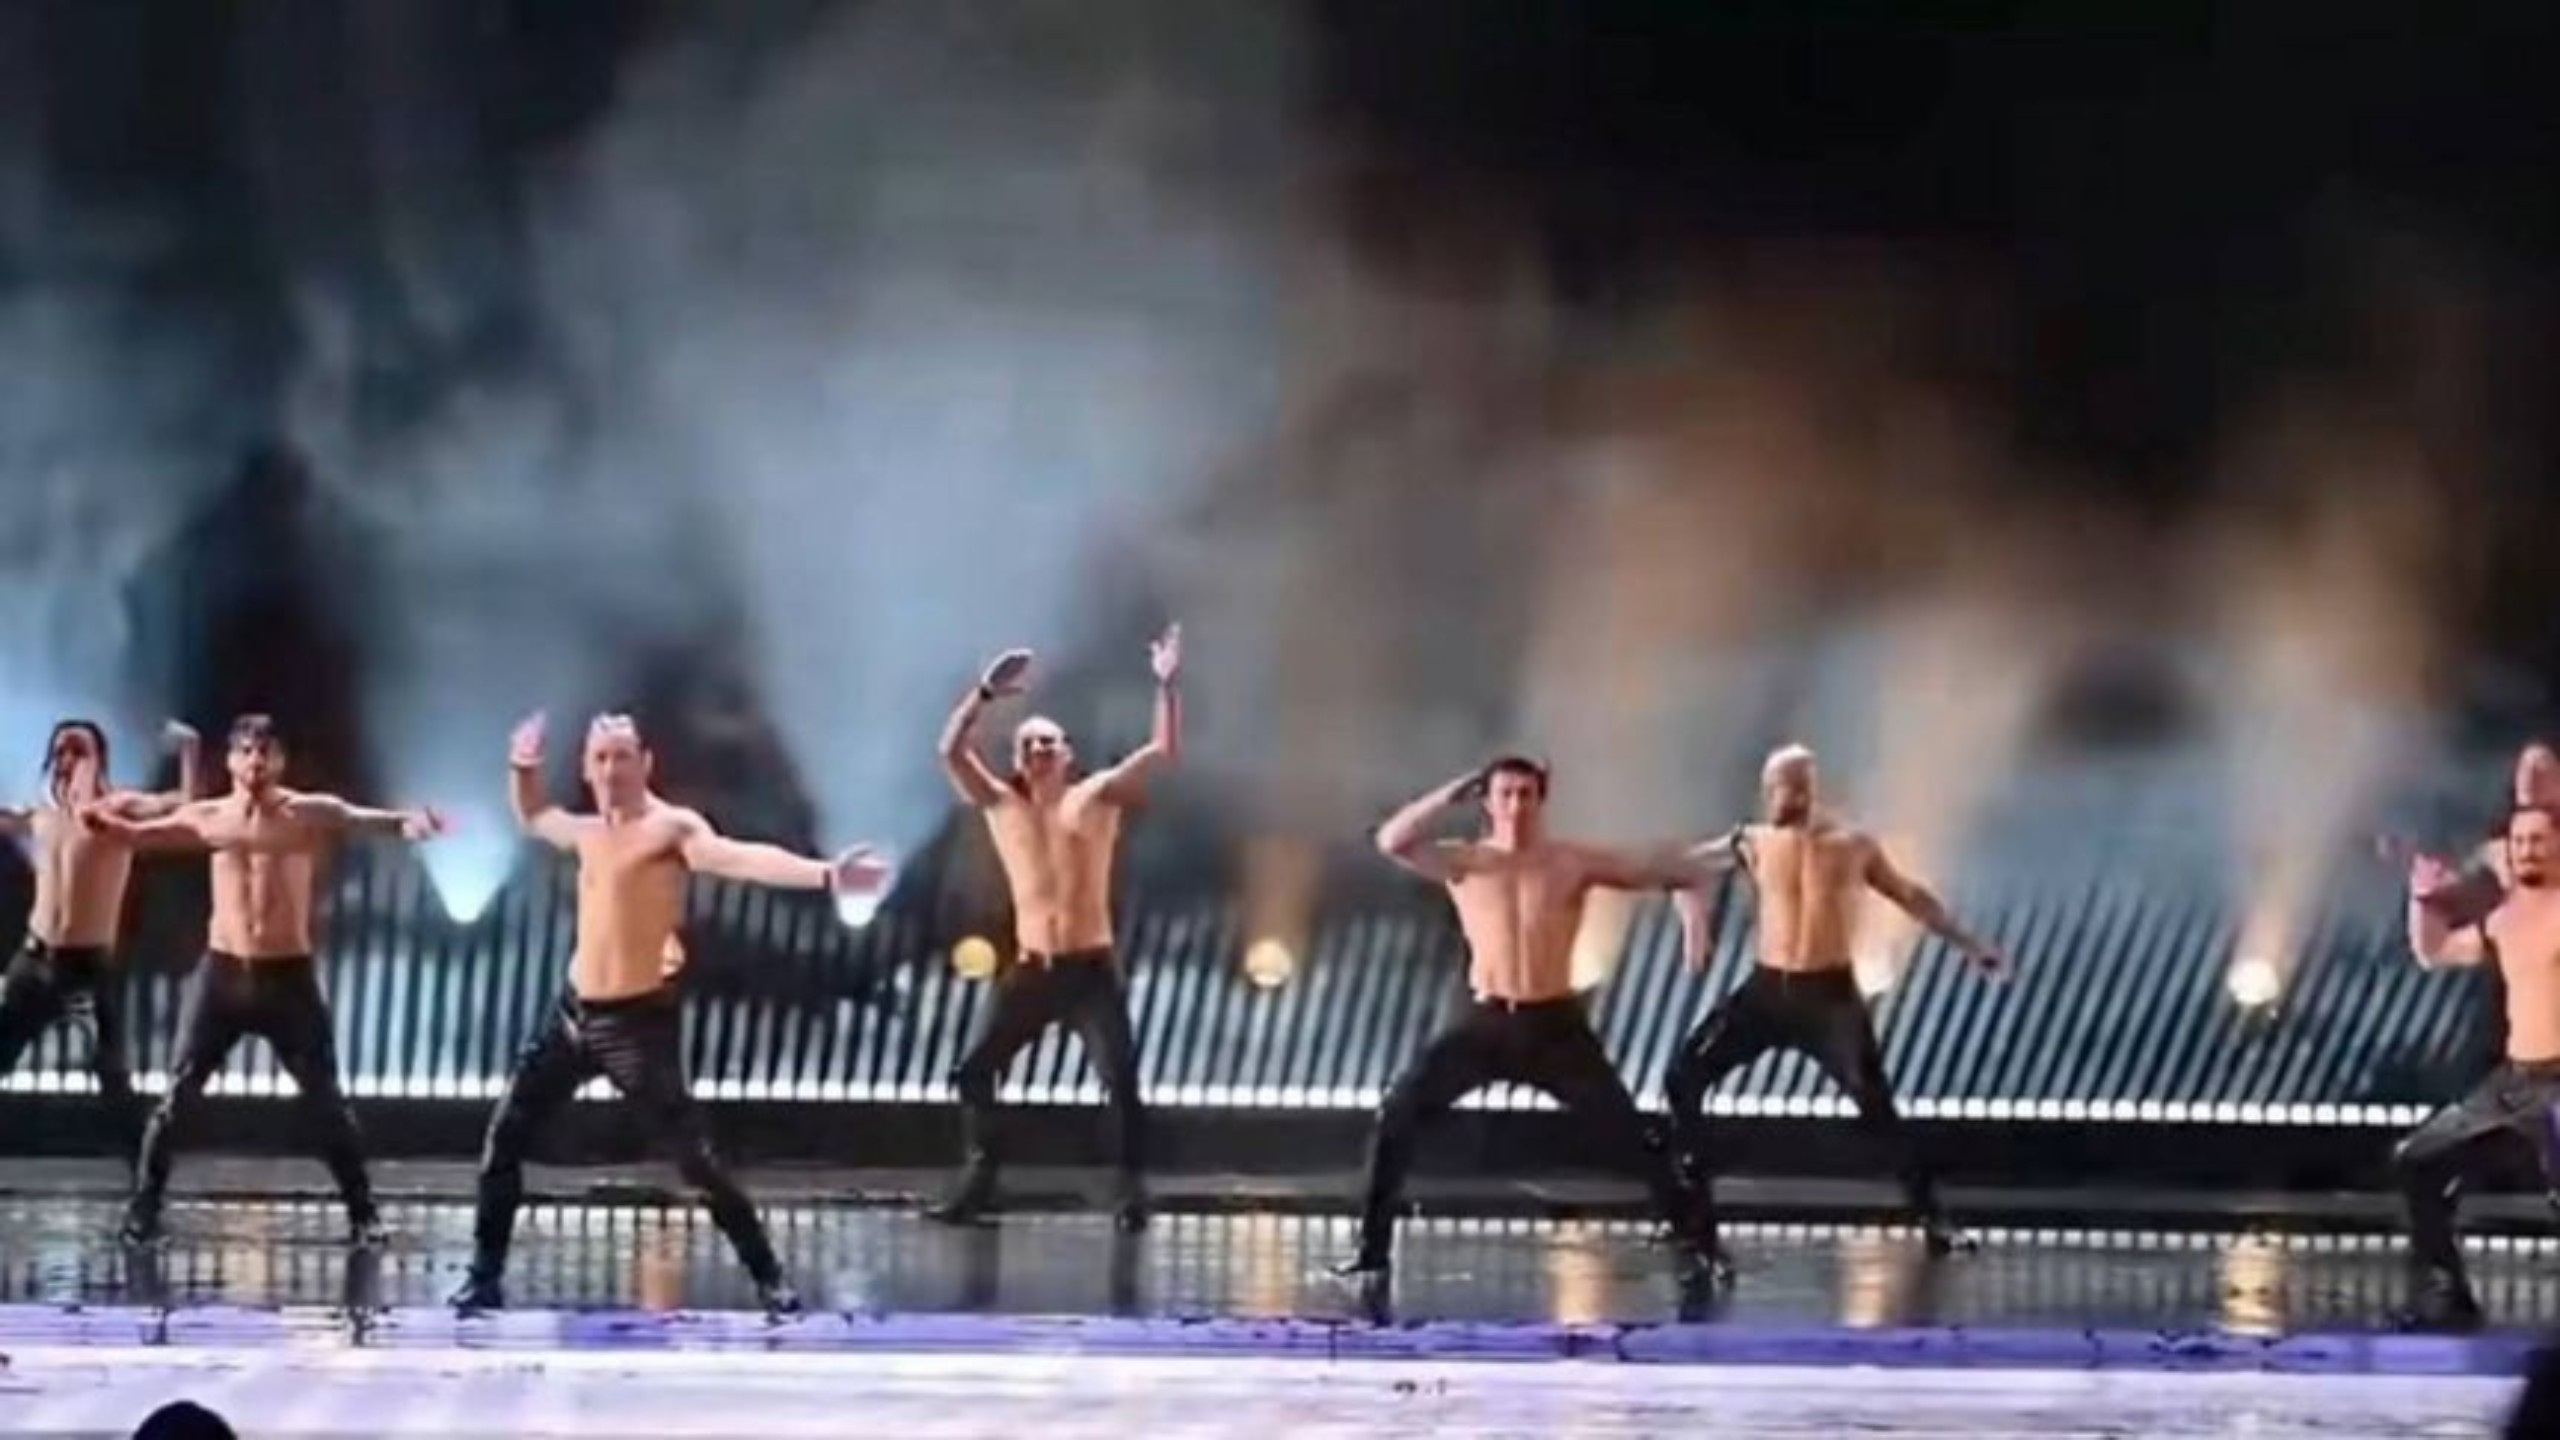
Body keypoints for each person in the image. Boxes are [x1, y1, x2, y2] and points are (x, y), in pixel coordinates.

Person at [448, 711, 888, 1316]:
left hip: (635, 1025)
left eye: (622, 757)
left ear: (646, 764)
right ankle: (484, 1277)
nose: (612, 770)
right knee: (504, 1139)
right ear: (587, 769)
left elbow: (736, 857)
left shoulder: (670, 828)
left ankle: (769, 1277)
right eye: (601, 758)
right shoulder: (587, 833)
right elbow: (534, 815)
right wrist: (523, 764)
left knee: (696, 1163)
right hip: (570, 1016)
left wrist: (828, 875)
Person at [1338, 754, 1725, 1280]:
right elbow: (1393, 841)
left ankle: (1699, 1245)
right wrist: (1450, 794)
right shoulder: (1466, 862)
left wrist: (1694, 915)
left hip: (1553, 1027)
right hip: (1486, 1021)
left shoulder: (1570, 862)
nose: (1517, 806)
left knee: (1634, 1138)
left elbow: (1668, 871)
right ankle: (1371, 1250)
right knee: (1398, 1113)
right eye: (1506, 794)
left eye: (1526, 794)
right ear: (1488, 803)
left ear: (1541, 801)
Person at [83, 714, 444, 1245]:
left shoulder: (303, 812)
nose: (255, 761)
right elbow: (140, 835)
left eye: (265, 751)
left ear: (279, 760)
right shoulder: (210, 816)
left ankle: (363, 1213)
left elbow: (358, 818)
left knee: (326, 1101)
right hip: (224, 976)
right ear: (231, 760)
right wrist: (98, 821)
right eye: (246, 751)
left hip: (287, 978)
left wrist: (407, 823)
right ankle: (143, 1211)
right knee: (178, 1098)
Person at [1662, 744, 2003, 1259]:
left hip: (1828, 998)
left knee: (1877, 1106)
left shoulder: (1852, 846)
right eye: (1772, 788)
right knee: (1682, 1075)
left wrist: (1971, 945)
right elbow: (1681, 871)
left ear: (1806, 790)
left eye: (1787, 788)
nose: (1778, 798)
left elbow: (1911, 896)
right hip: (1767, 990)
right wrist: (1695, 924)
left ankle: (1934, 1218)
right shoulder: (1751, 842)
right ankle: (1692, 1213)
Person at [925, 625, 1180, 1232]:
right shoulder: (1002, 806)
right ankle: (981, 1180)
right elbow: (950, 751)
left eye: (1049, 742)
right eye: (1029, 744)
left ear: (1067, 753)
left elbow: (1162, 750)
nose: (1039, 750)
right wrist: (984, 695)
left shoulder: (1094, 797)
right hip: (1034, 970)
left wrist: (1167, 686)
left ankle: (1129, 1193)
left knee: (1121, 1084)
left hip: (1089, 968)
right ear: (1018, 757)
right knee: (974, 1073)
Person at [0, 718, 202, 1165]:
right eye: (61, 751)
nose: (69, 759)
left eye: (80, 750)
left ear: (99, 759)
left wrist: (188, 750)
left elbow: (183, 805)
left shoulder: (119, 810)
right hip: (35, 958)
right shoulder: (42, 815)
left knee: (112, 1077)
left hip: (86, 968)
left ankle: (145, 1177)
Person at [2396, 803, 2560, 1330]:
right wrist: (2424, 898)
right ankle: (2447, 1296)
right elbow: (2436, 951)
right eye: (2520, 842)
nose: (2528, 851)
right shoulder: (2504, 921)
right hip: (2514, 1083)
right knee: (2419, 1160)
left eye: (2538, 840)